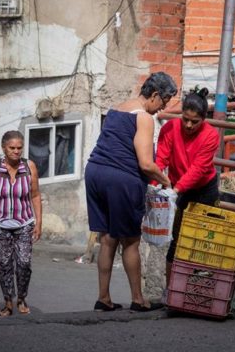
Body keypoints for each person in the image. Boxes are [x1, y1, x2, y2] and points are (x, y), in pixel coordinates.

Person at [85, 72, 177, 312]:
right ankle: (138, 299)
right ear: (155, 95)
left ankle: (103, 298)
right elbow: (146, 164)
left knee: (107, 238)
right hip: (120, 180)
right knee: (131, 241)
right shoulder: (144, 117)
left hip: (95, 173)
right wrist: (166, 181)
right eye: (164, 102)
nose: (162, 108)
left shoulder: (116, 109)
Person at [154, 87, 220, 286]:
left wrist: (175, 190)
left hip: (203, 189)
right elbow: (161, 160)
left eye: (195, 121)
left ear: (204, 119)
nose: (189, 125)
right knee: (178, 239)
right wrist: (154, 183)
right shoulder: (170, 128)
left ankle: (196, 287)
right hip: (179, 189)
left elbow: (198, 169)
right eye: (185, 119)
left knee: (201, 240)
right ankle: (171, 290)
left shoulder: (210, 136)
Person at [0, 130, 42, 316]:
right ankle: (8, 302)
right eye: (12, 148)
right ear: (4, 148)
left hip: (24, 223)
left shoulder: (29, 167)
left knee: (24, 262)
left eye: (19, 148)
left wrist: (39, 223)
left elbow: (35, 196)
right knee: (4, 264)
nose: (16, 151)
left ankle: (21, 298)